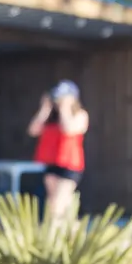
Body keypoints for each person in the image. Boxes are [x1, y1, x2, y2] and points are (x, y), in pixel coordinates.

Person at [28, 80, 89, 220]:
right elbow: (33, 130)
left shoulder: (80, 115)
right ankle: (73, 234)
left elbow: (69, 129)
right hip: (52, 164)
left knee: (57, 204)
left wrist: (65, 108)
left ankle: (54, 234)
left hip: (70, 165)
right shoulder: (50, 118)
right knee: (59, 206)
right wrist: (45, 108)